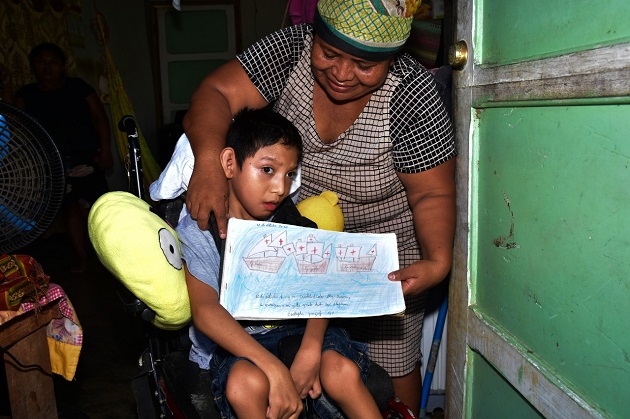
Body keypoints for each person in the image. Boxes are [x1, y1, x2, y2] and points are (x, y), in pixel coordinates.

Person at [181, 0, 456, 414]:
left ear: (392, 58)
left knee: (389, 361)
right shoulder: (290, 51)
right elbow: (216, 92)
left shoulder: (412, 96)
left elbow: (431, 194)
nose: (343, 74)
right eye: (329, 54)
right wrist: (206, 162)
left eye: (365, 66)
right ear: (316, 35)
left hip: (377, 253)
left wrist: (437, 260)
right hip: (300, 226)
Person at [174, 107, 382, 419]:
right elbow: (205, 312)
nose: (280, 188)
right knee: (244, 384)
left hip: (306, 334)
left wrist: (311, 351)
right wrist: (272, 368)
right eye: (268, 170)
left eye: (289, 175)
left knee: (340, 371)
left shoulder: (293, 222)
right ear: (230, 163)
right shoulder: (202, 229)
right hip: (243, 343)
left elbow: (323, 290)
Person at [13, 42, 113, 274]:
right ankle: (82, 259)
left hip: (88, 158)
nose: (47, 68)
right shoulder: (26, 94)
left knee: (99, 207)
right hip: (53, 164)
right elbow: (15, 123)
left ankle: (109, 259)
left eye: (53, 62)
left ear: (62, 66)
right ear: (33, 67)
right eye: (41, 62)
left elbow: (99, 117)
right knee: (70, 209)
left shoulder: (78, 87)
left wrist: (106, 149)